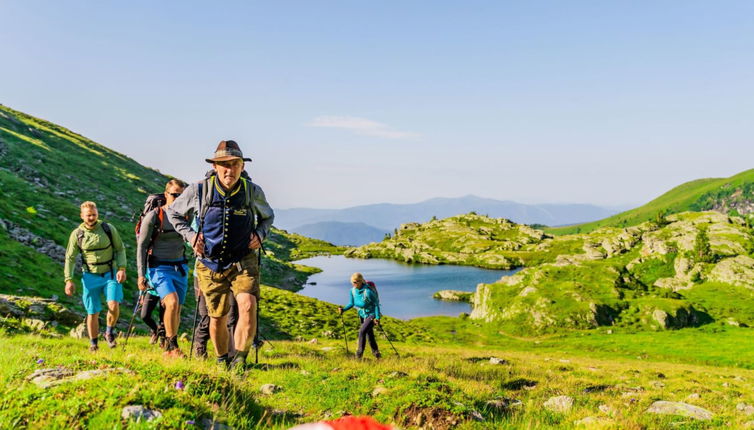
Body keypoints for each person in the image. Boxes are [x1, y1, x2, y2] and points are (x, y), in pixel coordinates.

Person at [167, 140, 274, 369]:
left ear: (242, 166)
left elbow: (268, 217)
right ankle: (222, 360)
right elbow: (174, 214)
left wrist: (260, 234)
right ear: (215, 166)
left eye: (235, 164)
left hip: (243, 260)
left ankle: (239, 361)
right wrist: (191, 236)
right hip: (209, 263)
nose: (230, 170)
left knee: (247, 305)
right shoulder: (199, 190)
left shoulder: (251, 191)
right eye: (224, 164)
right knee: (217, 318)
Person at [64, 201, 127, 351]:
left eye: (94, 215)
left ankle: (109, 332)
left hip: (110, 274)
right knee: (92, 311)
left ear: (97, 214)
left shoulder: (108, 229)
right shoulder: (77, 234)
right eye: (88, 215)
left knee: (113, 304)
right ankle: (93, 344)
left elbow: (120, 249)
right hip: (90, 276)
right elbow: (70, 258)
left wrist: (122, 268)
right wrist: (68, 279)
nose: (91, 218)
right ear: (82, 216)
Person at [137, 179, 189, 357]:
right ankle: (173, 346)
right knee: (171, 302)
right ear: (166, 194)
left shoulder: (188, 215)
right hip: (159, 267)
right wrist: (141, 275)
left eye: (182, 196)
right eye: (175, 195)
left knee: (176, 310)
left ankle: (168, 345)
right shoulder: (155, 215)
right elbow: (142, 246)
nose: (178, 198)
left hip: (180, 267)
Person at [338, 272, 381, 359]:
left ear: (361, 281)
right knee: (369, 335)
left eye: (356, 282)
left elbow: (376, 304)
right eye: (353, 282)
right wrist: (343, 309)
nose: (354, 284)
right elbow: (351, 303)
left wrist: (377, 318)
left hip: (371, 314)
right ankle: (377, 355)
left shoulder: (368, 292)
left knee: (362, 331)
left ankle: (358, 355)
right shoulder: (352, 291)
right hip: (362, 314)